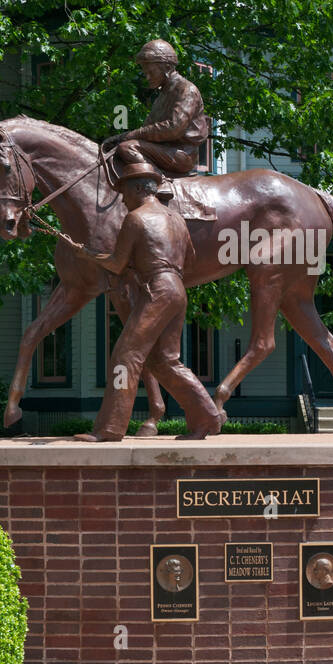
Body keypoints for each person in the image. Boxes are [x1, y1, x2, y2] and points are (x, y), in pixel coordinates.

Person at [75, 161, 221, 442]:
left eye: (125, 193)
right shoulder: (176, 220)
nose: (123, 199)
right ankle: (206, 417)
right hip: (178, 289)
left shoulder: (135, 218)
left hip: (157, 290)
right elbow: (189, 259)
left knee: (125, 355)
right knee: (165, 360)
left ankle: (110, 428)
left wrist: (88, 254)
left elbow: (116, 264)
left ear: (139, 189)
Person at [105, 39, 208, 187]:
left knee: (128, 147)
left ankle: (158, 184)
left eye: (150, 72)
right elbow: (148, 130)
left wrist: (130, 136)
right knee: (120, 149)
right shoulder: (163, 95)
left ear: (166, 67)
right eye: (145, 72)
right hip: (166, 150)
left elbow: (174, 128)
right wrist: (120, 138)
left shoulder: (186, 90)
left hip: (182, 154)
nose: (147, 77)